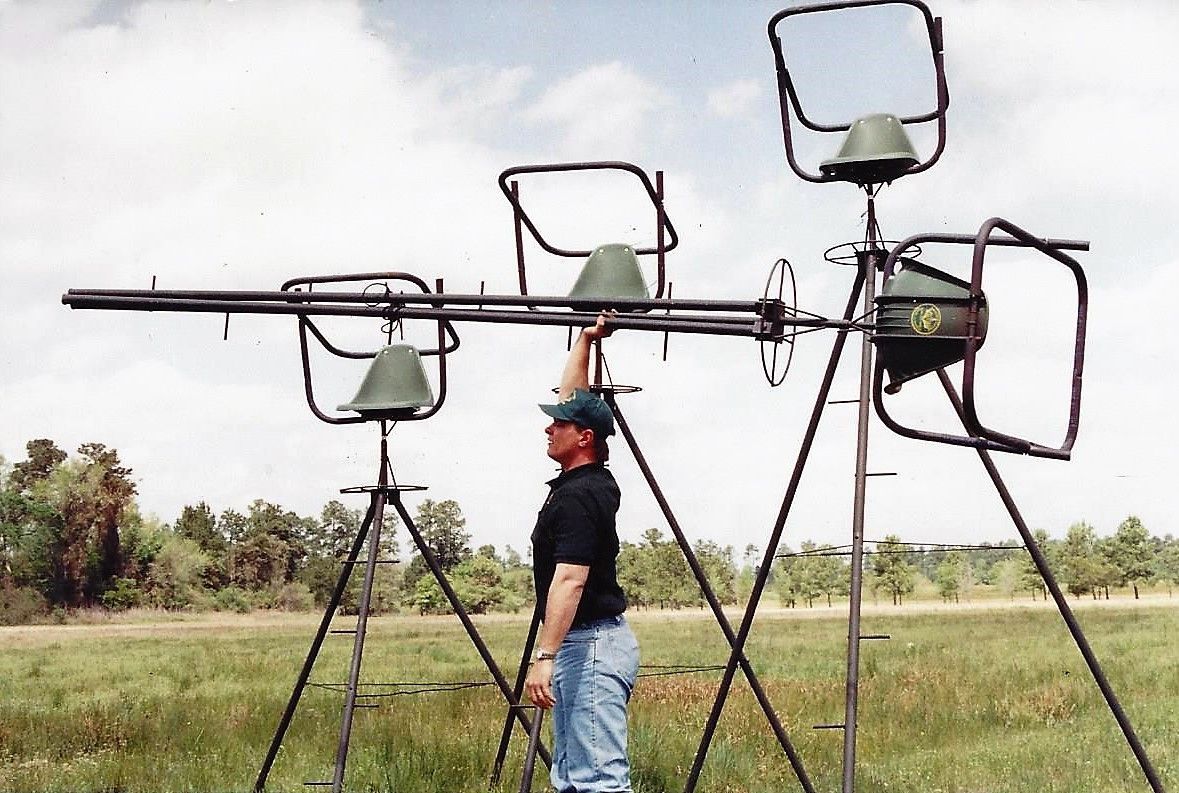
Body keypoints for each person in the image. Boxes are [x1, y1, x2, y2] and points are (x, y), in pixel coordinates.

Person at [525, 313, 640, 793]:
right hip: (586, 645)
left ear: (584, 438)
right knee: (572, 776)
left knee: (599, 781)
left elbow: (570, 581)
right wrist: (586, 340)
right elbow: (572, 397)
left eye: (559, 426)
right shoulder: (582, 482)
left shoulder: (580, 497)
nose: (549, 429)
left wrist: (544, 656)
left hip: (589, 646)